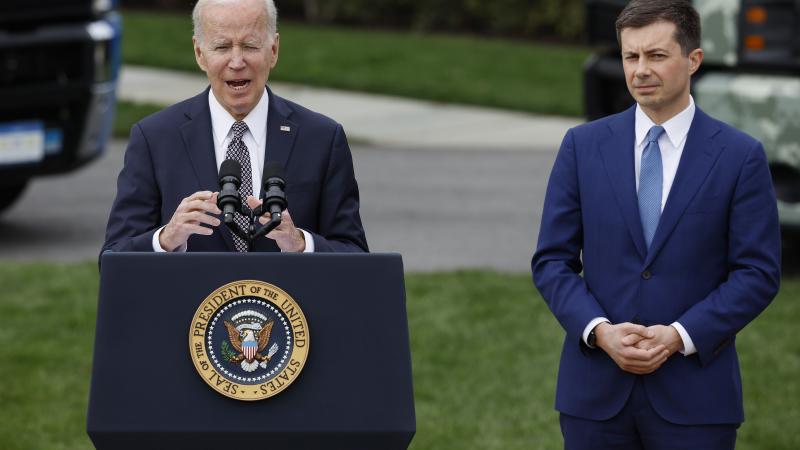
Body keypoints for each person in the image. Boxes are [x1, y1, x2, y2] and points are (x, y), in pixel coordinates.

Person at [531, 1, 780, 448]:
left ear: (694, 60)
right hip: (595, 399)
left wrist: (679, 336)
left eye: (657, 56)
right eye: (631, 56)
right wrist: (599, 331)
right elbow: (552, 260)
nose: (641, 70)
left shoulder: (740, 156)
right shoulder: (582, 147)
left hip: (696, 399)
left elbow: (757, 273)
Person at [103, 0, 367, 254]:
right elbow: (114, 258)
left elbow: (355, 256)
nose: (237, 62)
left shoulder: (321, 139)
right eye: (222, 47)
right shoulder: (154, 139)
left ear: (273, 50)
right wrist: (166, 239)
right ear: (200, 54)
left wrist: (301, 243)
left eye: (250, 46)